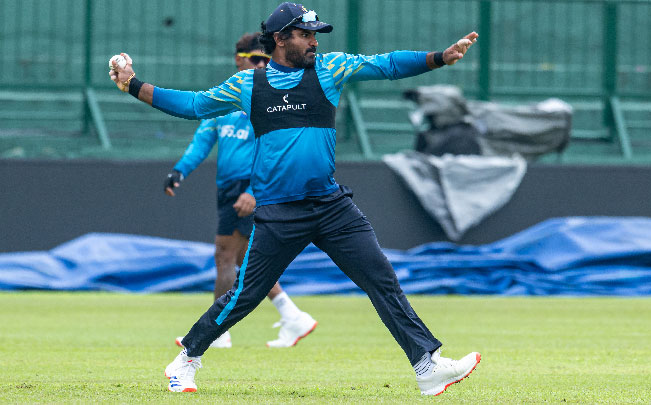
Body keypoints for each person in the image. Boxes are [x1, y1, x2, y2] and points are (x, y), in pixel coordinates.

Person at [109, 2, 481, 396]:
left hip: (331, 205)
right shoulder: (248, 84)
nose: (314, 42)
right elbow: (194, 106)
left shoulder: (330, 68)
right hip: (280, 211)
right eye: (305, 35)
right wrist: (132, 84)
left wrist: (439, 58)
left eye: (315, 34)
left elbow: (386, 64)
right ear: (281, 38)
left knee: (381, 278)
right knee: (245, 296)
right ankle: (186, 359)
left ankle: (427, 366)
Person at [164, 32, 317, 350]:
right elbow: (203, 140)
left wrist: (253, 190)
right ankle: (292, 316)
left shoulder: (266, 99)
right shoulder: (225, 98)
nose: (262, 65)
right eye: (255, 59)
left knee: (225, 256)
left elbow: (275, 150)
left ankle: (216, 332)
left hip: (252, 188)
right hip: (228, 189)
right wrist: (180, 170)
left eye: (265, 60)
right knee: (247, 259)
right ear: (239, 60)